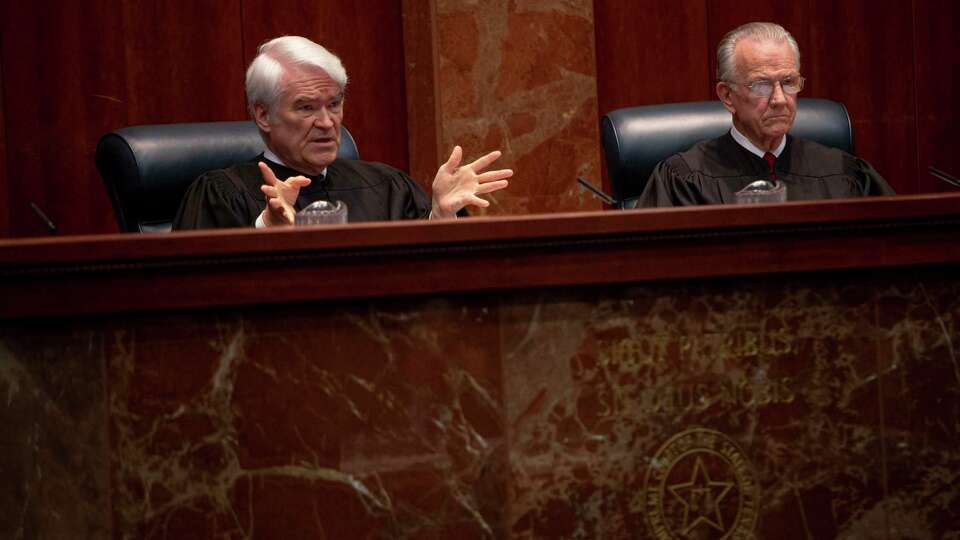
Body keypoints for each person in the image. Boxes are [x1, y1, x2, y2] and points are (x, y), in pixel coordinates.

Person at [173, 36, 512, 229]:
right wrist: (267, 230)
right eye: (306, 107)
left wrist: (441, 215)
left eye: (334, 104)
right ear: (263, 114)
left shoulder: (387, 188)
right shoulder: (221, 195)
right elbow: (194, 304)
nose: (326, 122)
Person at [636, 22, 894, 208]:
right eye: (761, 85)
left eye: (789, 82)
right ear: (727, 96)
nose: (780, 99)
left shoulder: (843, 173)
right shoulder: (685, 180)